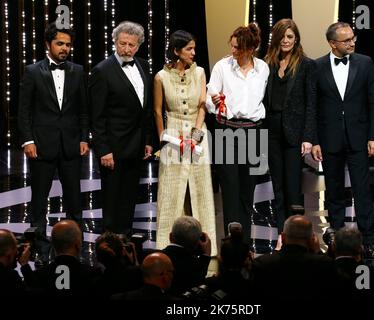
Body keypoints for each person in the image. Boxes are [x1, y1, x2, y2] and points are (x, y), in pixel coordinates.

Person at [18, 22, 89, 261]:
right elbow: (24, 111)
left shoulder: (77, 71)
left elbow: (83, 110)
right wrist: (28, 140)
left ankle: (73, 250)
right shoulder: (32, 71)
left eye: (68, 44)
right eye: (60, 43)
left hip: (70, 144)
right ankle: (40, 249)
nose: (65, 48)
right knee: (39, 201)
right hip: (41, 145)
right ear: (48, 44)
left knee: (74, 201)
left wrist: (83, 138)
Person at [311, 22, 374, 257]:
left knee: (362, 190)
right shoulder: (318, 66)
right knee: (333, 191)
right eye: (346, 40)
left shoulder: (365, 63)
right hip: (329, 138)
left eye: (353, 38)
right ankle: (338, 239)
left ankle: (368, 240)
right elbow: (313, 107)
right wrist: (314, 140)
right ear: (333, 43)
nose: (352, 42)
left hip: (359, 138)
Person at [154, 30, 217, 254]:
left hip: (196, 131)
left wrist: (196, 135)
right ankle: (166, 244)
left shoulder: (199, 72)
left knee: (200, 188)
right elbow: (158, 110)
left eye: (193, 48)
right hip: (173, 134)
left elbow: (202, 106)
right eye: (189, 49)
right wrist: (164, 138)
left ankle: (205, 244)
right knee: (171, 189)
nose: (193, 52)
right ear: (176, 51)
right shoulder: (161, 77)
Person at [89, 21, 154, 236]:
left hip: (136, 145)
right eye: (122, 44)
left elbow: (144, 110)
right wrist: (103, 149)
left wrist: (147, 140)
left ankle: (125, 239)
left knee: (129, 196)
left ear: (138, 45)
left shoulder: (143, 66)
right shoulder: (102, 70)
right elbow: (97, 116)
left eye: (132, 45)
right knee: (112, 198)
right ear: (115, 42)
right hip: (113, 148)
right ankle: (109, 242)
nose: (126, 49)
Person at [206, 23, 269, 242]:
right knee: (230, 190)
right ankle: (232, 243)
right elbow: (209, 99)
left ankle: (246, 243)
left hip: (254, 132)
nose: (233, 51)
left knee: (248, 190)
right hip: (226, 131)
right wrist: (215, 103)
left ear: (251, 49)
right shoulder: (222, 67)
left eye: (238, 48)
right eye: (232, 46)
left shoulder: (263, 68)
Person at [264, 19, 316, 232]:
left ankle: (297, 234)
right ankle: (281, 234)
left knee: (293, 186)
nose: (285, 41)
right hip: (271, 131)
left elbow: (312, 103)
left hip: (295, 133)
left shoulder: (306, 65)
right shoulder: (266, 64)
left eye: (290, 37)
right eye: (282, 36)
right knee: (277, 187)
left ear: (296, 39)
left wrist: (308, 137)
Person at [21, 220, 100, 297]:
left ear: (53, 245)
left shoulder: (38, 277)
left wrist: (25, 266)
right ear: (78, 244)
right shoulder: (92, 275)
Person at [162, 216, 212, 296]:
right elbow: (198, 285)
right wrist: (206, 256)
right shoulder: (195, 267)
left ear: (170, 237)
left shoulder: (153, 259)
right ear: (197, 244)